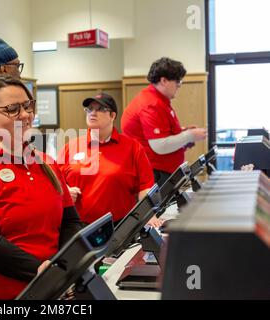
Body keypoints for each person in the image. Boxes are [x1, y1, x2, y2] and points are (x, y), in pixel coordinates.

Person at [0, 76, 82, 300]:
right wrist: (40, 269)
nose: (26, 115)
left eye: (28, 106)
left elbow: (70, 222)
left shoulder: (46, 162)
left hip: (49, 288)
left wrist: (64, 266)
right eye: (12, 109)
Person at [58, 93, 163, 228]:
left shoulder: (133, 148)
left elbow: (145, 186)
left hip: (120, 226)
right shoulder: (70, 147)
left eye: (100, 109)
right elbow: (55, 182)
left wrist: (149, 214)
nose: (93, 113)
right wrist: (66, 191)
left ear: (112, 116)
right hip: (78, 226)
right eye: (89, 109)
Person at [121, 57, 207, 186]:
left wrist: (184, 133)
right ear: (164, 80)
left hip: (161, 171)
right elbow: (160, 145)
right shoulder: (151, 104)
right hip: (155, 172)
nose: (179, 85)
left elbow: (164, 133)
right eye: (177, 80)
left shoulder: (158, 100)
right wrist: (190, 135)